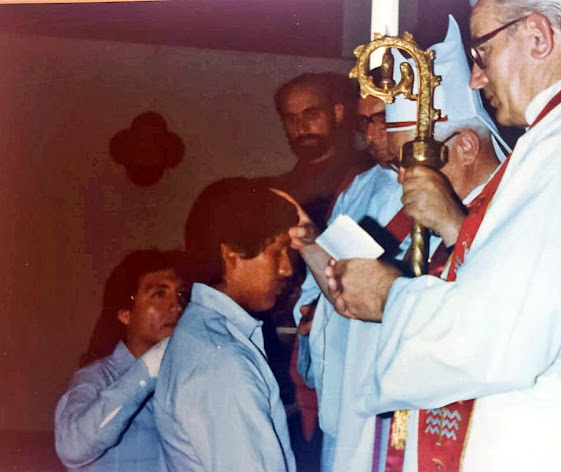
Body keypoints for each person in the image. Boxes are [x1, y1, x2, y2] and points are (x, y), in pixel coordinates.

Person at [327, 0, 561, 470]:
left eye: (482, 52)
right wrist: (457, 229)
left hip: (559, 439)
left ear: (538, 35)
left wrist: (389, 297)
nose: (477, 78)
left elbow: (500, 332)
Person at [292, 17, 508, 471]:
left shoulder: (512, 206)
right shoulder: (384, 190)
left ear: (466, 145)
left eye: (415, 160)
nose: (403, 177)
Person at [154, 178, 299, 471]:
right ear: (231, 254)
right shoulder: (222, 360)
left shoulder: (204, 334)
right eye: (277, 252)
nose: (288, 267)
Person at [55, 249, 186, 471]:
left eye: (181, 295)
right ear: (125, 313)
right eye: (159, 294)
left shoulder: (182, 379)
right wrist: (148, 369)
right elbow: (70, 447)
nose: (177, 306)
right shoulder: (95, 378)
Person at [270, 72, 372, 228]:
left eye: (311, 115)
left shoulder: (365, 175)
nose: (301, 127)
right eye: (291, 119)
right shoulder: (282, 188)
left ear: (337, 113)